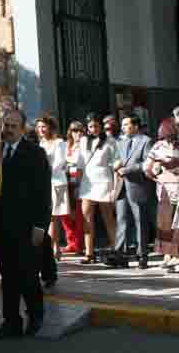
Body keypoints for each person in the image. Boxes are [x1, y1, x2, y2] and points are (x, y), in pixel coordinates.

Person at [0, 109, 52, 339]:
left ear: (23, 129)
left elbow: (43, 194)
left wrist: (40, 227)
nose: (7, 130)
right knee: (8, 277)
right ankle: (11, 321)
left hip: (27, 227)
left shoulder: (35, 153)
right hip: (3, 227)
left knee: (28, 276)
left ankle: (35, 317)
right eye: (5, 125)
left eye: (12, 126)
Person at [145, 118, 179, 273]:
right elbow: (147, 168)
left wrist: (175, 168)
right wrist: (157, 175)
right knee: (168, 225)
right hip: (167, 188)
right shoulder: (159, 146)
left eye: (169, 137)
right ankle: (175, 256)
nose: (167, 140)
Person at [107, 115, 154, 269]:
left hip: (137, 185)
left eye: (126, 124)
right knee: (121, 220)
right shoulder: (120, 142)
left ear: (135, 126)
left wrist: (127, 170)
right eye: (122, 125)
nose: (123, 128)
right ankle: (120, 254)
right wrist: (115, 165)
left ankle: (142, 255)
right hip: (121, 186)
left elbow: (147, 164)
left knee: (140, 221)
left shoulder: (146, 141)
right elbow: (116, 160)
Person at [77, 113, 119, 264]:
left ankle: (117, 249)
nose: (93, 129)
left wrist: (115, 186)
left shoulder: (110, 141)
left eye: (96, 126)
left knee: (108, 217)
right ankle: (89, 253)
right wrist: (78, 182)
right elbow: (80, 163)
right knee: (86, 218)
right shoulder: (83, 141)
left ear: (101, 126)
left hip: (104, 180)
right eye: (90, 126)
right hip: (87, 182)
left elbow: (116, 162)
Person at [37, 116, 68, 262]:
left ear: (50, 127)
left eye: (43, 126)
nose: (41, 129)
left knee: (54, 217)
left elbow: (60, 163)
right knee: (48, 217)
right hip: (44, 182)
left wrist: (45, 171)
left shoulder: (59, 142)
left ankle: (54, 248)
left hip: (56, 182)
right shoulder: (41, 143)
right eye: (39, 127)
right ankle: (53, 248)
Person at [62, 121, 86, 254]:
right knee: (65, 213)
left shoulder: (85, 145)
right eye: (74, 130)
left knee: (78, 213)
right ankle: (70, 241)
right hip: (65, 181)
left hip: (79, 181)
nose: (78, 133)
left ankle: (78, 243)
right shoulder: (65, 145)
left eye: (80, 130)